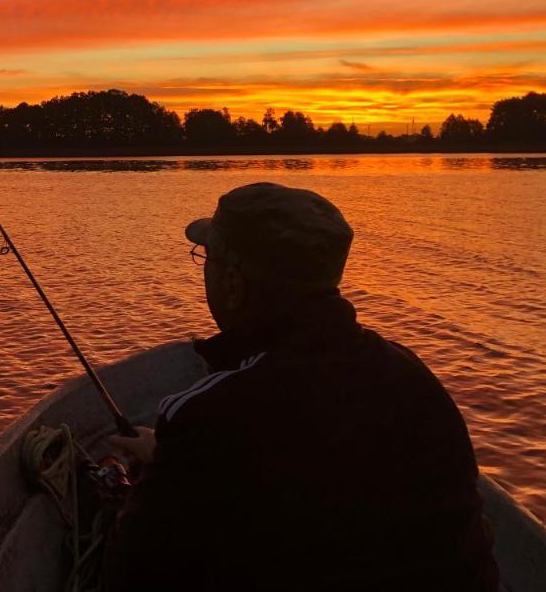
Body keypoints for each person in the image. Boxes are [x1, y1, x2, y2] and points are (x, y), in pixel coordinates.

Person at [102, 181, 498, 591]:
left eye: (208, 257)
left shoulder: (212, 413)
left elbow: (130, 575)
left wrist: (152, 483)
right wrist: (171, 457)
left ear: (234, 282)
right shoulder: (412, 375)